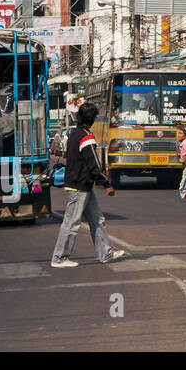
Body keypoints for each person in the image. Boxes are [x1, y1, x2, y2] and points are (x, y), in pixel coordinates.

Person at [51, 103, 124, 268]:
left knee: (97, 219)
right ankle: (59, 257)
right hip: (80, 186)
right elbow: (94, 164)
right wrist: (106, 184)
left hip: (83, 185)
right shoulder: (86, 136)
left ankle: (105, 253)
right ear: (91, 119)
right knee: (71, 223)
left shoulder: (74, 134)